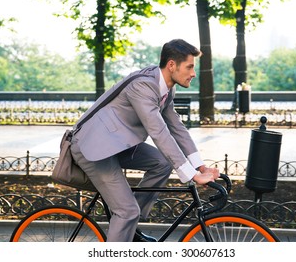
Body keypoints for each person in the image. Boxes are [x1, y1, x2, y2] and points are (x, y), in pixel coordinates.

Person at [70, 39, 220, 242]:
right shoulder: (143, 86)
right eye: (190, 66)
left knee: (162, 163)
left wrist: (200, 167)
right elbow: (159, 132)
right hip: (93, 147)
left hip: (115, 143)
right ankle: (126, 219)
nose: (193, 73)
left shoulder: (166, 87)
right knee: (126, 211)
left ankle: (128, 226)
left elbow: (177, 129)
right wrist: (191, 175)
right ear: (172, 65)